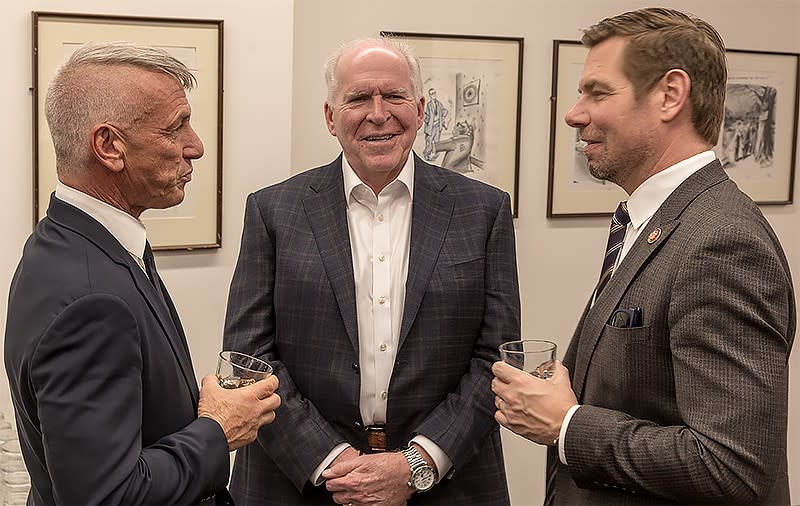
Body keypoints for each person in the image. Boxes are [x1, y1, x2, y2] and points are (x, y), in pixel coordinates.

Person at [492, 8, 795, 505]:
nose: (574, 113)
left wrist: (567, 425)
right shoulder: (649, 219)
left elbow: (734, 468)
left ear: (670, 95)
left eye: (597, 92)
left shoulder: (721, 242)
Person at [223, 37, 520, 505]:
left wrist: (416, 463)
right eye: (358, 98)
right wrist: (334, 462)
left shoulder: (483, 211)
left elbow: (496, 358)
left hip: (445, 484)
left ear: (420, 110)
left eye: (395, 96)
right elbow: (249, 355)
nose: (378, 114)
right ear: (330, 117)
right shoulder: (273, 210)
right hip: (298, 482)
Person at [3, 41, 281, 505]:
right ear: (110, 146)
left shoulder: (67, 241)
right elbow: (108, 497)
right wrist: (217, 429)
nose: (196, 146)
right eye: (175, 129)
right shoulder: (92, 298)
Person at [423, 87, 448, 161]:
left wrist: (442, 117)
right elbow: (425, 115)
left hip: (437, 126)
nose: (433, 95)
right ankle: (426, 155)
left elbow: (444, 111)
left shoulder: (439, 104)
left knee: (436, 141)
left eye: (434, 93)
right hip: (431, 126)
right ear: (429, 95)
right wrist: (428, 121)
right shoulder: (429, 105)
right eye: (431, 94)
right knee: (429, 141)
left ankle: (435, 155)